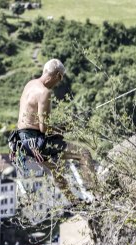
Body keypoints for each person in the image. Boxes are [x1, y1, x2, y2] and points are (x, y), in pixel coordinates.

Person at [9, 59, 96, 204]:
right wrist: (61, 129)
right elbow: (44, 128)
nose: (59, 82)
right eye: (61, 77)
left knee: (56, 168)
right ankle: (98, 194)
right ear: (56, 75)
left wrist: (58, 129)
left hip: (23, 141)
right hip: (36, 141)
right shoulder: (44, 92)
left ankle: (74, 202)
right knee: (84, 153)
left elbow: (34, 123)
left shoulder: (30, 84)